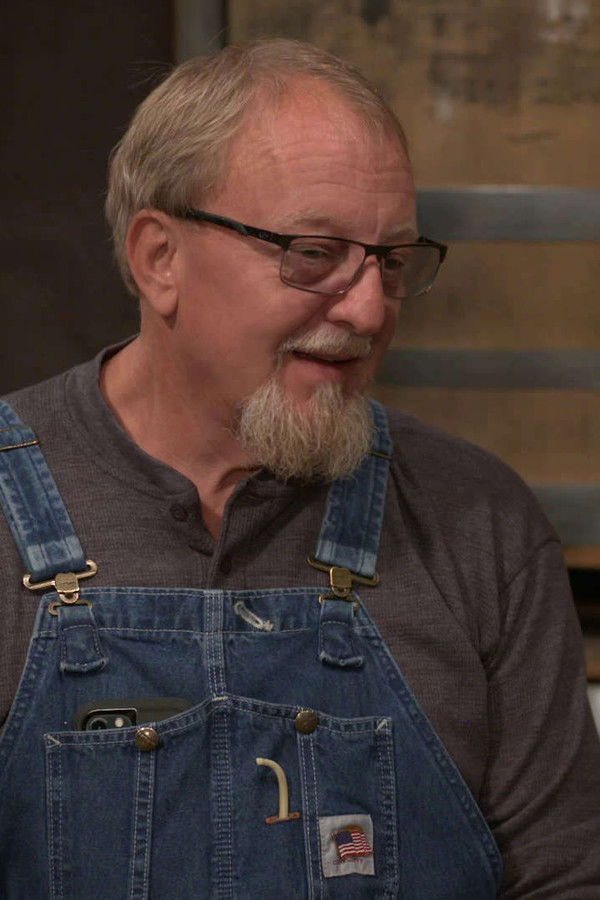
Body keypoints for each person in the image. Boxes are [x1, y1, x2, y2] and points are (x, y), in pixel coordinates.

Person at [0, 38, 598, 899]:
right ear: (159, 258)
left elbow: (566, 876)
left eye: (391, 261)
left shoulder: (478, 523)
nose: (368, 309)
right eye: (314, 253)